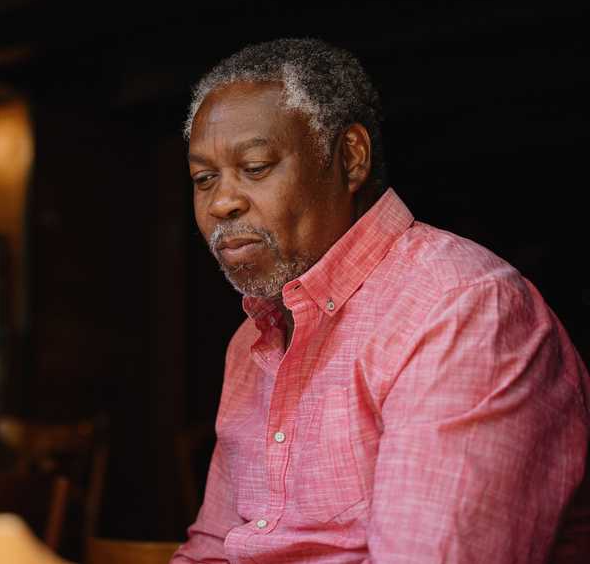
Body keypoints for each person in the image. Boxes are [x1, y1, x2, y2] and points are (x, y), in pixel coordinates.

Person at [174, 38, 590, 562]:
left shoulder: (463, 309)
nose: (222, 202)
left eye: (255, 167)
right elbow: (212, 549)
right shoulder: (253, 339)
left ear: (349, 157)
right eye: (203, 178)